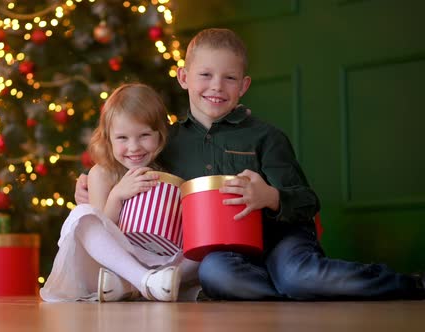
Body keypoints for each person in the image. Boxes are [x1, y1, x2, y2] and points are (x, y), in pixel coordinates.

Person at [75, 28, 425, 300]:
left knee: (299, 275)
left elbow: (306, 201)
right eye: (205, 75)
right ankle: (294, 295)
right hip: (227, 251)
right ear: (184, 78)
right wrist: (91, 188)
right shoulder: (169, 140)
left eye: (229, 78)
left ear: (244, 86)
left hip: (281, 237)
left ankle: (408, 284)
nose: (216, 86)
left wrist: (269, 196)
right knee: (215, 274)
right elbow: (130, 164)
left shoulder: (265, 137)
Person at [40, 83, 199, 303]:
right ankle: (142, 281)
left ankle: (132, 286)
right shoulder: (102, 174)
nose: (134, 147)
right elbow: (100, 232)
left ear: (161, 134)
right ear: (108, 139)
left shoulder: (165, 172)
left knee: (204, 249)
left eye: (144, 135)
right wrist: (117, 195)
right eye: (122, 138)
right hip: (109, 263)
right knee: (82, 215)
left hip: (155, 260)